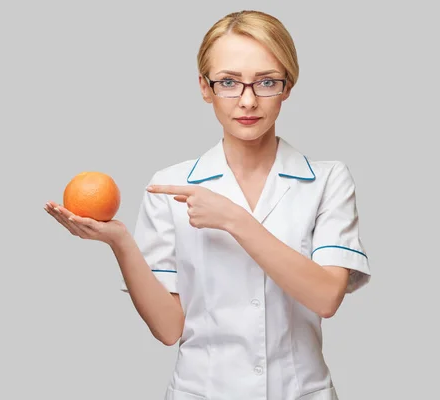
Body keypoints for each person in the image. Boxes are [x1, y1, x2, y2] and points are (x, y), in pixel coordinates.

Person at [44, 9, 371, 400]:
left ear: (288, 86)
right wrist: (120, 242)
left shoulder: (328, 180)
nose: (248, 101)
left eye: (266, 82)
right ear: (205, 87)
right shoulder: (170, 187)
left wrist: (235, 220)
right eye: (229, 82)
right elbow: (169, 329)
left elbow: (326, 297)